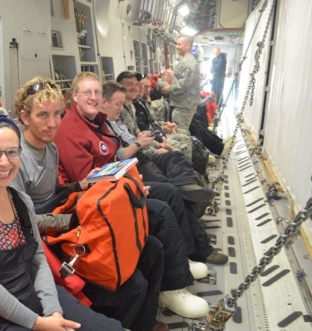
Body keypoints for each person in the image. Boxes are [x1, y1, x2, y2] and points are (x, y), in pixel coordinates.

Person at [55, 71, 225, 319]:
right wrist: (130, 186)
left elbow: (115, 157)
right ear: (74, 97)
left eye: (96, 92)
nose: (93, 97)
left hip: (118, 187)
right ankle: (173, 287)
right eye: (87, 93)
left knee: (168, 192)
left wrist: (131, 181)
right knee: (162, 210)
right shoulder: (71, 130)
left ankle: (182, 259)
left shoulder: (96, 122)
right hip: (99, 203)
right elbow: (87, 183)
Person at [0, 113, 125, 330]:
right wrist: (36, 323)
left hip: (31, 292)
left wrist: (53, 311)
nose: (4, 162)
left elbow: (37, 258)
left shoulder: (21, 200)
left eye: (12, 152)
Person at [10, 76, 168, 331]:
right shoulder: (14, 158)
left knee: (152, 248)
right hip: (44, 238)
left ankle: (145, 323)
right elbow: (19, 221)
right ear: (25, 117)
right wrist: (72, 220)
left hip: (59, 218)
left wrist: (78, 188)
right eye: (42, 116)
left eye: (57, 115)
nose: (52, 124)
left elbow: (53, 192)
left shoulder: (49, 147)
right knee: (133, 285)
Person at [161, 36, 200, 131]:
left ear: (187, 46)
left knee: (179, 132)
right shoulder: (186, 61)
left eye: (179, 44)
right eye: (176, 44)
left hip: (184, 105)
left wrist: (168, 89)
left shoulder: (189, 63)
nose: (177, 46)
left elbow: (183, 85)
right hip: (182, 103)